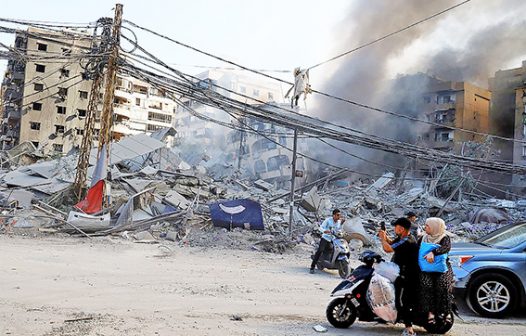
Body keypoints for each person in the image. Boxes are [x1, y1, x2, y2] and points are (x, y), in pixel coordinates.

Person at [378, 217, 419, 336]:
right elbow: (391, 243)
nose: (394, 229)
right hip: (399, 272)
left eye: (396, 227)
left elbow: (388, 249)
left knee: (401, 301)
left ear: (401, 229)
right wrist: (384, 235)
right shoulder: (403, 238)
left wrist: (382, 239)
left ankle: (409, 329)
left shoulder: (408, 241)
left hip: (407, 275)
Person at [418, 217, 454, 326]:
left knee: (443, 285)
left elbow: (446, 248)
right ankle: (430, 312)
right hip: (425, 268)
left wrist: (433, 252)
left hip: (442, 268)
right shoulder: (423, 237)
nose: (425, 227)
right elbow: (416, 248)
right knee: (425, 285)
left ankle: (446, 311)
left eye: (427, 225)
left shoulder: (444, 237)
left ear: (435, 227)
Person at [310, 209, 344, 274]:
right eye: (337, 215)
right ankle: (312, 266)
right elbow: (321, 228)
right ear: (333, 215)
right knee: (320, 250)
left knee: (338, 250)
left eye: (340, 215)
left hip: (334, 239)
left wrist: (342, 228)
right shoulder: (328, 220)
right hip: (326, 238)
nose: (339, 217)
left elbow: (339, 229)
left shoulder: (339, 222)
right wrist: (324, 231)